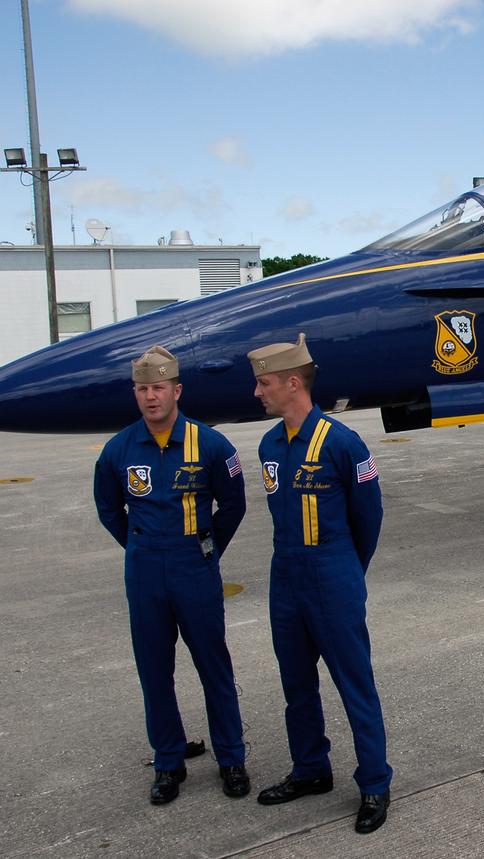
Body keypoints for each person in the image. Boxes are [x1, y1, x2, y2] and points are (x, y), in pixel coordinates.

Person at [247, 333, 393, 834]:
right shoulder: (268, 444)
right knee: (296, 685)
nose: (257, 393)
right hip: (285, 576)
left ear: (293, 383)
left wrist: (348, 571)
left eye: (264, 383)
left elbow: (368, 517)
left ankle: (374, 781)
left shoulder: (343, 442)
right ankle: (311, 769)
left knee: (354, 683)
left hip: (332, 573)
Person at [93, 345, 250, 805]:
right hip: (145, 572)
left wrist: (206, 548)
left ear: (176, 390)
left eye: (158, 387)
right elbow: (108, 508)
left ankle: (232, 757)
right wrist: (140, 544)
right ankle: (168, 762)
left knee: (213, 666)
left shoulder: (211, 445)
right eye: (142, 389)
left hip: (194, 568)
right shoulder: (119, 448)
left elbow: (234, 504)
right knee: (154, 671)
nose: (150, 397)